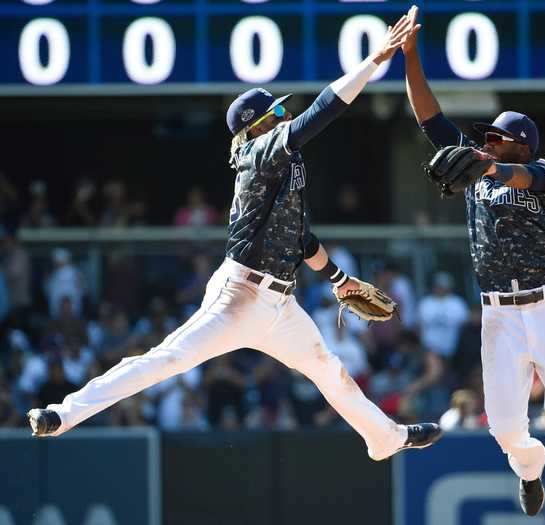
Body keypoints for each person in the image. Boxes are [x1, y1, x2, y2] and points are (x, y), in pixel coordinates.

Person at [27, 14, 442, 461]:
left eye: (282, 111)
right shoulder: (258, 154)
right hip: (238, 297)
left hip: (281, 306)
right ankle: (63, 414)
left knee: (329, 369)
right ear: (256, 126)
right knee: (165, 360)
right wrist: (374, 59)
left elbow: (301, 237)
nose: (282, 115)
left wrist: (340, 279)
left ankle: (384, 437)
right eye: (275, 113)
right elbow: (324, 110)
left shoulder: (284, 163)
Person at [401, 5, 545, 516]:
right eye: (484, 137)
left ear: (521, 145)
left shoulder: (541, 173)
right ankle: (530, 472)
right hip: (499, 313)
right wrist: (410, 56)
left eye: (496, 138)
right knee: (506, 428)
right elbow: (428, 116)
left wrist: (489, 163)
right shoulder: (478, 172)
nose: (485, 142)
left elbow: (525, 177)